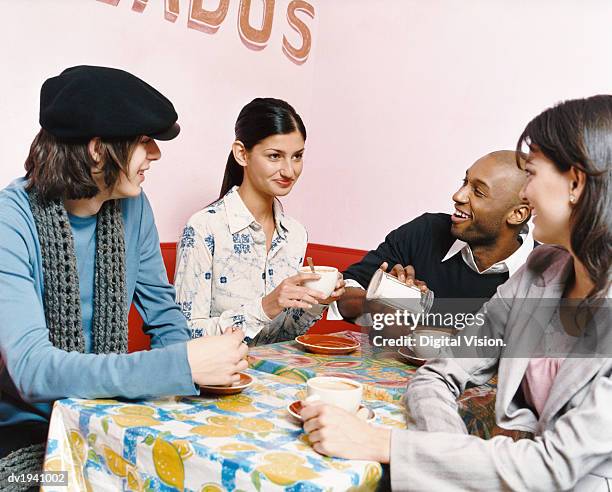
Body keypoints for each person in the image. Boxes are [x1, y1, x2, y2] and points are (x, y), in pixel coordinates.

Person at [301, 95, 612, 490]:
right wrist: (449, 458)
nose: (528, 194)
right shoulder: (542, 271)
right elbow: (440, 373)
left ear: (576, 183)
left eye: (532, 174)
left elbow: (551, 467)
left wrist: (386, 444)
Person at [0, 66, 247, 483]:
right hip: (24, 437)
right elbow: (31, 369)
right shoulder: (11, 218)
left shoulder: (134, 207)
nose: (156, 154)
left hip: (112, 418)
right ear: (98, 149)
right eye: (144, 141)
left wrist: (198, 380)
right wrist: (177, 366)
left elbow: (166, 320)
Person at [174, 98, 345, 344]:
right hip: (219, 376)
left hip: (276, 375)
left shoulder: (295, 234)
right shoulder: (204, 228)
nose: (289, 171)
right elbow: (185, 336)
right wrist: (265, 307)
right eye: (275, 156)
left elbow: (285, 335)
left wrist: (320, 300)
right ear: (242, 154)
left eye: (297, 156)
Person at [331, 150, 534, 328]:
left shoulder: (549, 271)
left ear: (517, 214)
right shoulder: (426, 231)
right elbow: (344, 295)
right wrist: (379, 301)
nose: (458, 196)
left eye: (478, 192)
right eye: (465, 182)